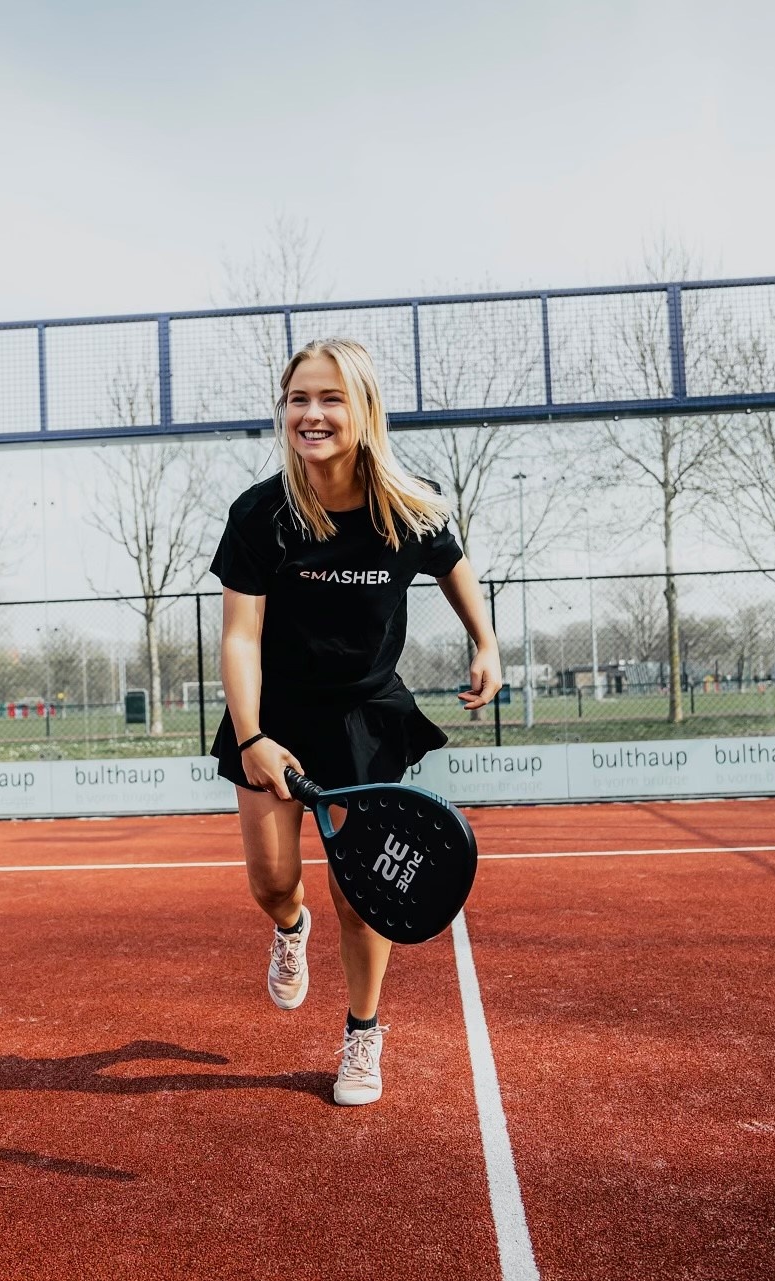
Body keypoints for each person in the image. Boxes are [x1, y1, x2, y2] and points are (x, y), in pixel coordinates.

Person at [209, 337, 501, 1106]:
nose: (312, 413)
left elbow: (454, 568)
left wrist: (486, 641)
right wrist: (250, 737)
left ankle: (362, 1034)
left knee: (362, 892)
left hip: (367, 717)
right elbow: (239, 637)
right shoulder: (260, 514)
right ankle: (288, 929)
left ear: (364, 409)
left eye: (331, 398)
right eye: (299, 398)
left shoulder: (409, 507)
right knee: (274, 886)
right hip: (271, 719)